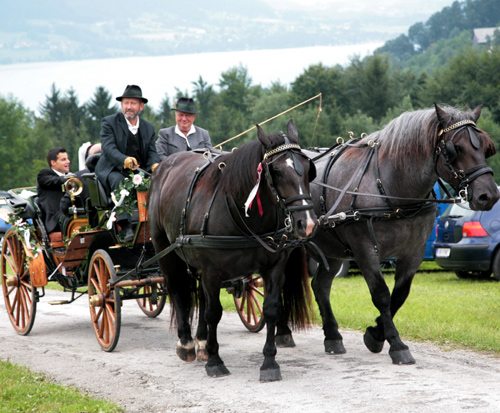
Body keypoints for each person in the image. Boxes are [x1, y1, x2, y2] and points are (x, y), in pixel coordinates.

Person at [94, 84, 159, 241]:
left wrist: (154, 165)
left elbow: (151, 152)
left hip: (139, 171)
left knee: (158, 181)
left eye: (133, 103)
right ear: (122, 105)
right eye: (126, 103)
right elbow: (109, 149)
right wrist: (124, 160)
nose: (129, 107)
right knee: (120, 181)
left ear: (141, 106)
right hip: (112, 169)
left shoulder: (148, 128)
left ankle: (157, 221)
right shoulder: (109, 122)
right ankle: (125, 227)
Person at [37, 147, 72, 236]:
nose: (68, 161)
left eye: (67, 158)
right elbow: (56, 181)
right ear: (53, 162)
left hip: (71, 214)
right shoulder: (44, 174)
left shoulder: (70, 176)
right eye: (64, 159)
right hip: (55, 220)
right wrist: (73, 178)